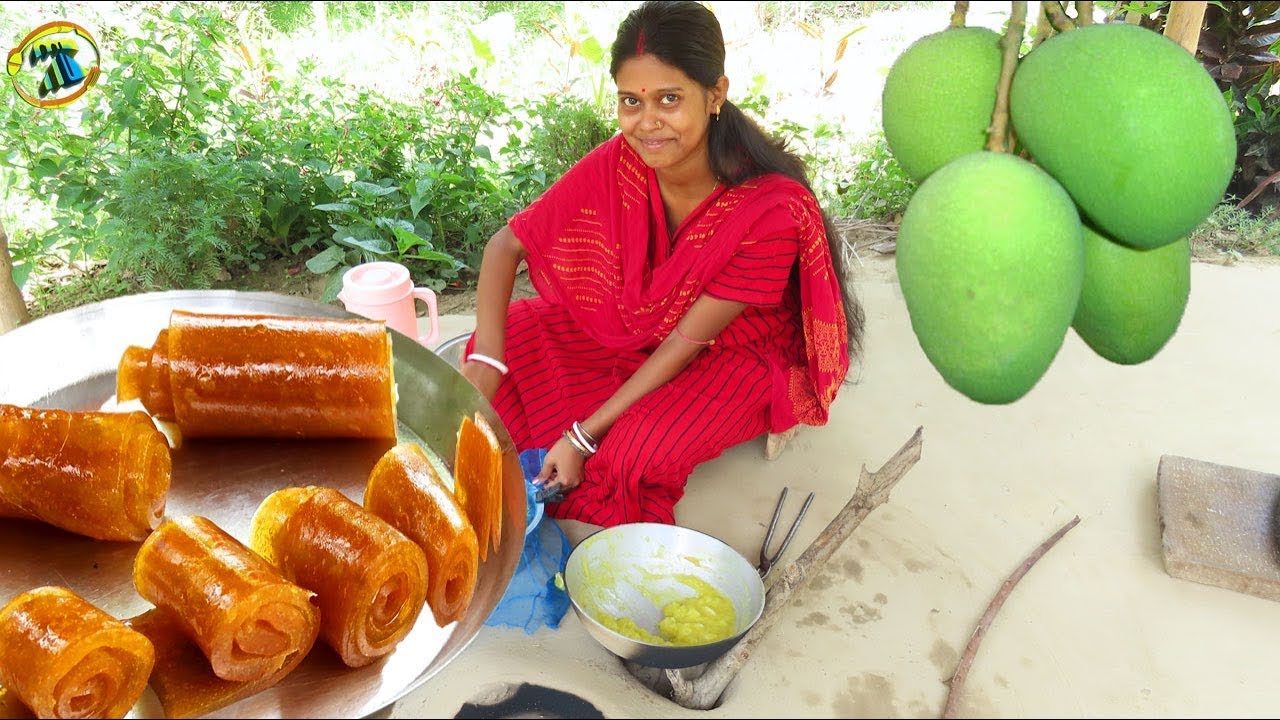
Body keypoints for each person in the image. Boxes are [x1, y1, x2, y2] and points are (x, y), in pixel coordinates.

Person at [460, 0, 865, 530]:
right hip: (649, 328)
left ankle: (757, 413)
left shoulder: (768, 211)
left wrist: (582, 435)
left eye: (669, 99)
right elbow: (505, 246)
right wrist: (487, 361)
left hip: (735, 349)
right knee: (509, 333)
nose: (647, 122)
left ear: (715, 94)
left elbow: (685, 342)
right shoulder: (624, 161)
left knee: (631, 455)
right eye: (631, 101)